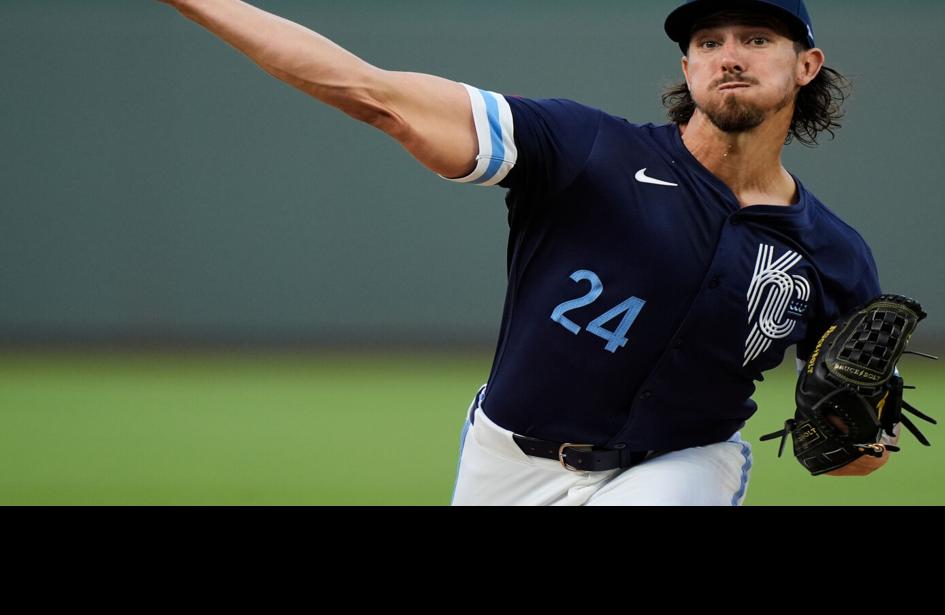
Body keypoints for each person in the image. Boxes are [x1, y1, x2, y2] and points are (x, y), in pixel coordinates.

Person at [161, 0, 894, 505]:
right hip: (506, 459)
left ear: (806, 64)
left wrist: (849, 435)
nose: (729, 56)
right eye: (709, 41)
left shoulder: (831, 254)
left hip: (680, 465)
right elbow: (371, 92)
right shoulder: (588, 149)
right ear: (688, 63)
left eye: (757, 38)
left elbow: (861, 456)